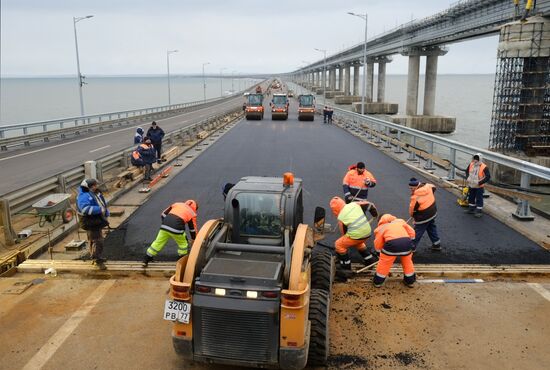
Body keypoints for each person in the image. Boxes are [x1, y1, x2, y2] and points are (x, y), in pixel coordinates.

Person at [330, 196, 379, 275]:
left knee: (339, 245)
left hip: (356, 235)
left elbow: (344, 233)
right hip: (367, 232)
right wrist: (374, 214)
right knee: (358, 243)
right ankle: (370, 261)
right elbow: (370, 204)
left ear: (334, 209)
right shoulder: (354, 204)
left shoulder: (341, 217)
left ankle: (346, 268)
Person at [142, 200, 198, 267]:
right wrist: (194, 239)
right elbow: (192, 229)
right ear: (194, 208)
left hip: (164, 226)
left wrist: (167, 223)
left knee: (158, 242)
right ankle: (180, 261)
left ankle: (146, 258)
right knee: (183, 244)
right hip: (177, 228)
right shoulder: (191, 213)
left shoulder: (177, 204)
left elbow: (163, 214)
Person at [372, 214, 416, 288]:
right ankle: (410, 281)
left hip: (392, 245)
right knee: (407, 262)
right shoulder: (400, 221)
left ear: (380, 221)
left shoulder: (381, 228)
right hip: (407, 243)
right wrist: (411, 242)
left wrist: (379, 253)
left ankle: (378, 282)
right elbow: (412, 232)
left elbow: (378, 243)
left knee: (384, 263)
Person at [77, 178, 109, 269]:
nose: (96, 186)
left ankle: (95, 256)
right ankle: (97, 261)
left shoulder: (94, 193)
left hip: (95, 220)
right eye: (94, 185)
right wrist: (100, 210)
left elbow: (101, 203)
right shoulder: (84, 196)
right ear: (89, 187)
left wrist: (105, 212)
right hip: (90, 221)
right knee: (98, 241)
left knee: (93, 239)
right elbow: (85, 209)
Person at [408, 177, 441, 251]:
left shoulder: (416, 196)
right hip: (432, 211)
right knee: (431, 227)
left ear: (416, 186)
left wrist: (412, 215)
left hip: (423, 216)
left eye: (412, 188)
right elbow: (434, 187)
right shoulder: (428, 186)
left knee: (418, 231)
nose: (411, 189)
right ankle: (436, 244)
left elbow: (412, 209)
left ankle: (411, 247)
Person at [465, 153, 491, 218]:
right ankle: (471, 209)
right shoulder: (471, 164)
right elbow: (467, 171)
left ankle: (479, 211)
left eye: (477, 159)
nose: (475, 160)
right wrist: (468, 178)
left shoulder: (484, 167)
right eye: (475, 158)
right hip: (471, 184)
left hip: (479, 186)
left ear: (480, 159)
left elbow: (488, 177)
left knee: (479, 198)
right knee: (471, 196)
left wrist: (480, 183)